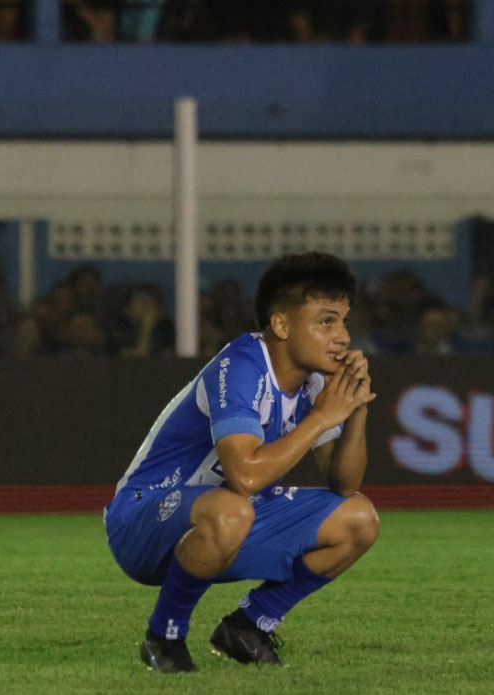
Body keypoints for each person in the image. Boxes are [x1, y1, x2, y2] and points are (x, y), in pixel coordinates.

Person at [104, 252, 380, 673]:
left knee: (359, 518)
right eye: (326, 321)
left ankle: (247, 626)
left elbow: (343, 483)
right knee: (233, 508)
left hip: (228, 515)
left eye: (343, 320)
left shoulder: (314, 380)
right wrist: (324, 416)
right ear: (282, 325)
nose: (342, 335)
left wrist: (354, 408)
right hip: (143, 517)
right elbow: (246, 475)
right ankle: (165, 638)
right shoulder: (241, 366)